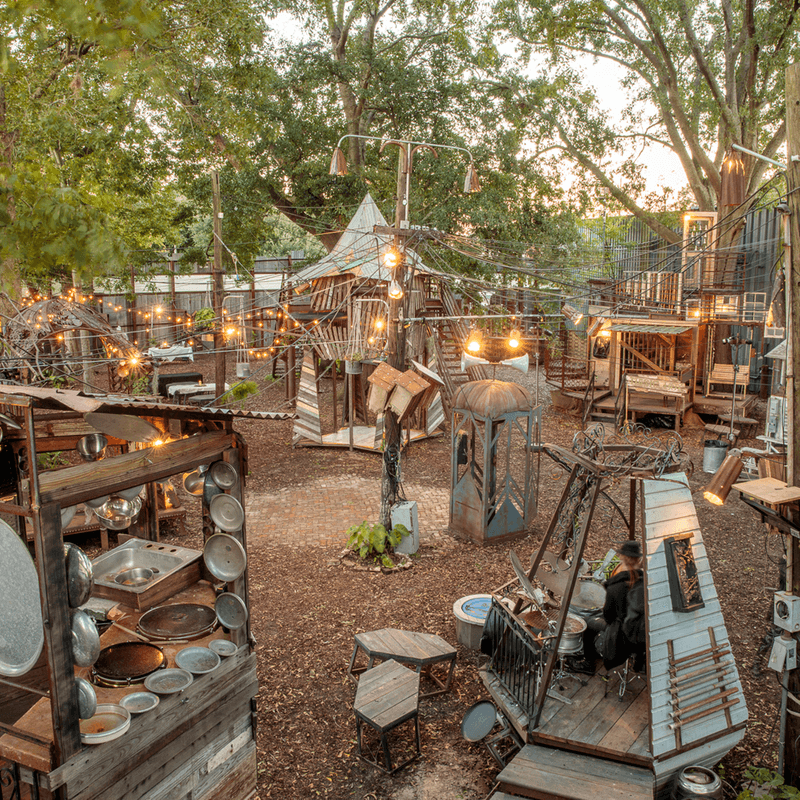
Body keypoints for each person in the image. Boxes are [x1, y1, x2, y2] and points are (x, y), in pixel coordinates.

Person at [600, 539, 645, 672]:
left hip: (622, 637)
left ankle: (588, 663)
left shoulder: (615, 587)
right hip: (642, 634)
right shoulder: (646, 582)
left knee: (589, 624)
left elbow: (608, 617)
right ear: (639, 560)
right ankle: (638, 659)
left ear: (622, 558)